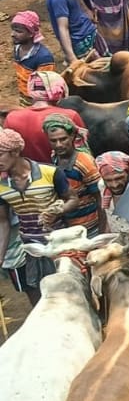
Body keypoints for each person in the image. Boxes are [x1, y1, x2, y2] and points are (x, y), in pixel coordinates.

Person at [0, 128, 71, 303]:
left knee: (68, 294)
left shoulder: (50, 172)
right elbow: (3, 222)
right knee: (38, 298)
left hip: (59, 244)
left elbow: (72, 199)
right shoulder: (1, 185)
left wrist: (58, 210)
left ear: (15, 152)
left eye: (0, 154)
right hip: (31, 248)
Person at [10, 11, 56, 105]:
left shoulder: (44, 58)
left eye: (18, 31)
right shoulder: (17, 48)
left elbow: (44, 87)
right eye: (13, 30)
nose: (12, 34)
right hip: (24, 95)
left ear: (31, 33)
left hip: (36, 101)